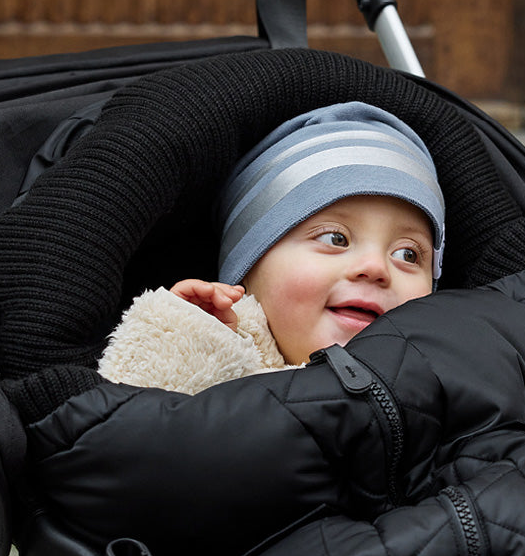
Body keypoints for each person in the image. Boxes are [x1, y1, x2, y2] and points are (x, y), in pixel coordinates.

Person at [97, 102, 445, 393]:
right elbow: (129, 436)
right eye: (335, 239)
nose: (375, 267)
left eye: (407, 254)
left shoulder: (448, 383)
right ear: (247, 267)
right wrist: (184, 338)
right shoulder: (221, 373)